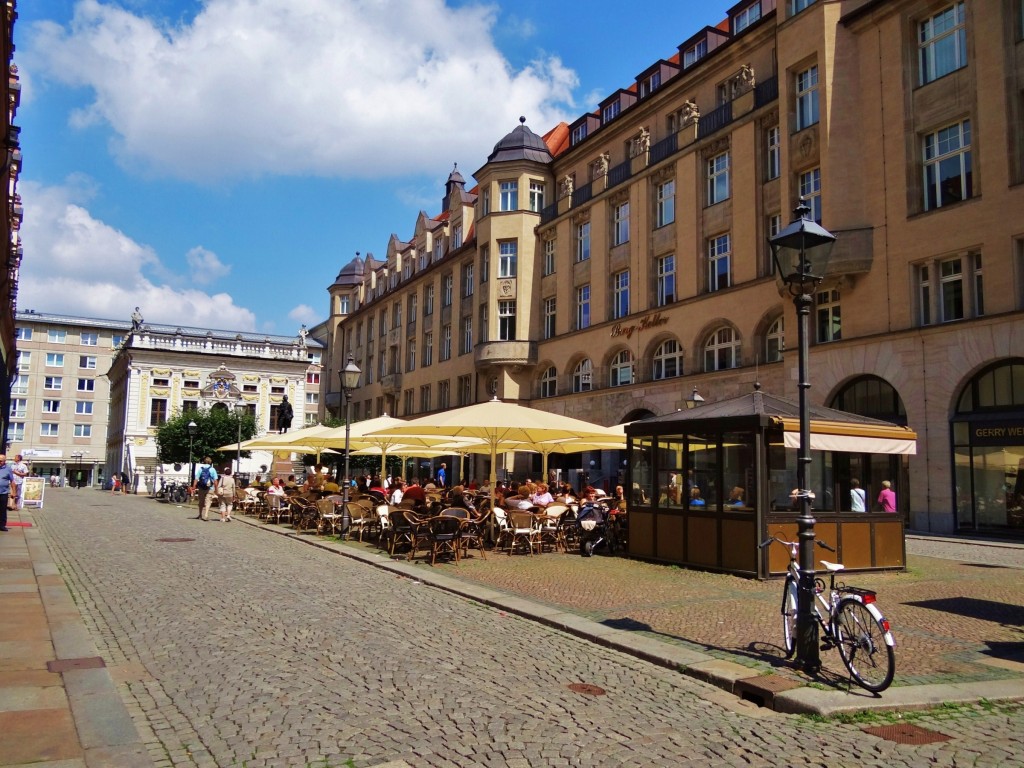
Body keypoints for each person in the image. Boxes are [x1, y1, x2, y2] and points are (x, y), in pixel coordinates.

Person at [192, 457, 219, 521]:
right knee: (208, 501)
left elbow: (196, 479)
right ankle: (206, 515)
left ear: (204, 462)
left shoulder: (200, 469)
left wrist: (194, 487)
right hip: (210, 488)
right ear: (210, 462)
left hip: (201, 487)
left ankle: (200, 514)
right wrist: (216, 489)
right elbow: (215, 480)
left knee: (201, 501)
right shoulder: (212, 469)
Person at [0, 455, 12, 531]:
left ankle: (2, 525)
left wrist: (14, 493)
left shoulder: (8, 469)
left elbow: (12, 481)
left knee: (3, 509)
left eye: (1, 461)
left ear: (4, 461)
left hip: (3, 493)